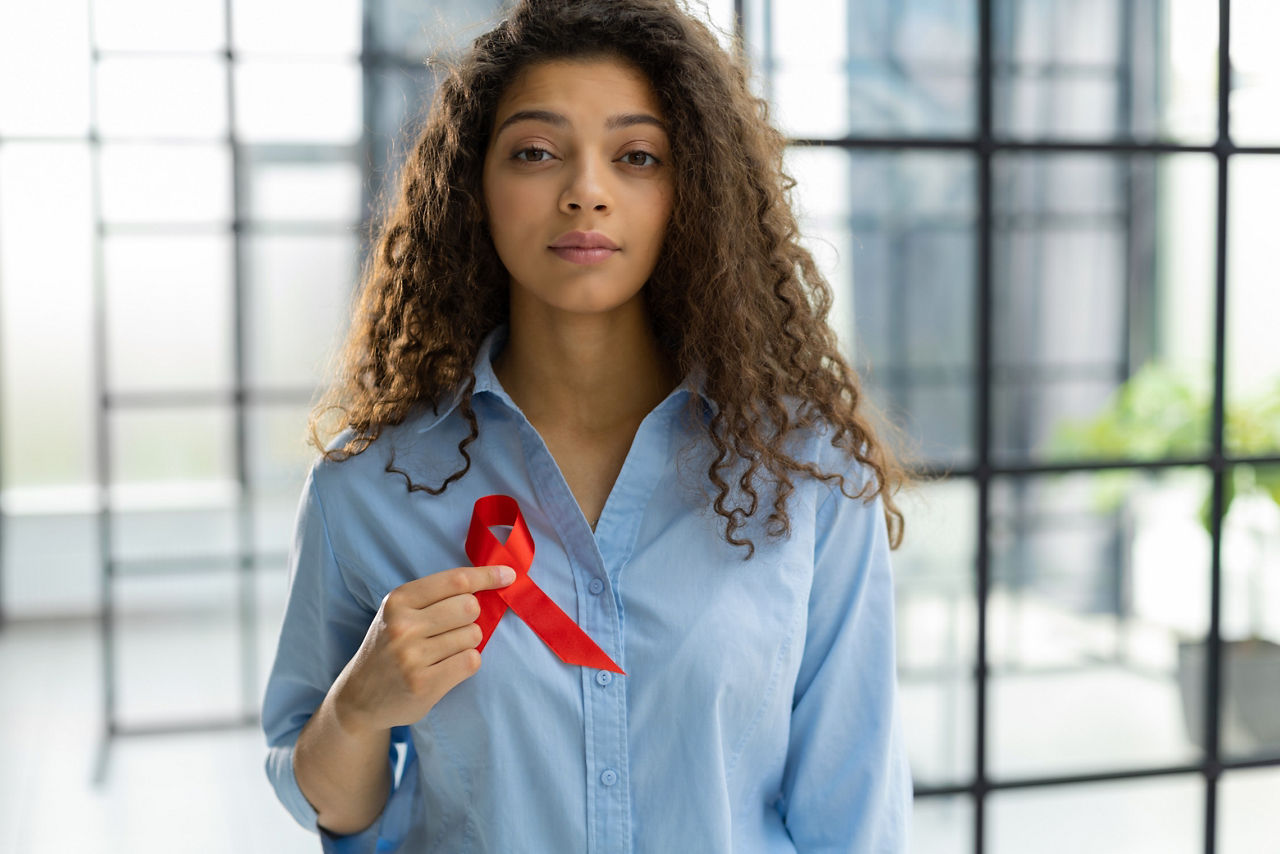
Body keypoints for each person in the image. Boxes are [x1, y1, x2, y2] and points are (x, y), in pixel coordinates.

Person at [262, 0, 914, 851]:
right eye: (535, 153)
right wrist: (358, 707)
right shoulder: (367, 488)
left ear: (694, 190)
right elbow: (333, 807)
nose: (585, 193)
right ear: (474, 185)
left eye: (637, 156)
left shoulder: (811, 472)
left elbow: (854, 813)